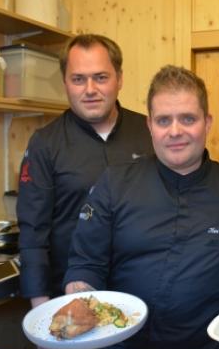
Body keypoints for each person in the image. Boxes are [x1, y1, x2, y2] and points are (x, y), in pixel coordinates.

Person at [64, 65, 219, 349]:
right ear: (150, 125)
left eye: (187, 119)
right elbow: (86, 263)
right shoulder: (115, 183)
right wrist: (72, 309)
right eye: (164, 120)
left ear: (207, 122)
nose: (175, 131)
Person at [16, 34, 153, 308]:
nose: (90, 89)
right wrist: (41, 310)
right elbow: (33, 234)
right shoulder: (45, 143)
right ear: (65, 82)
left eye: (101, 77)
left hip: (142, 297)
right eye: (78, 79)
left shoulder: (151, 132)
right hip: (70, 301)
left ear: (120, 78)